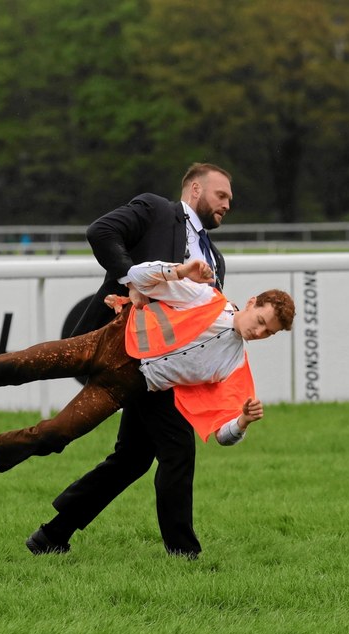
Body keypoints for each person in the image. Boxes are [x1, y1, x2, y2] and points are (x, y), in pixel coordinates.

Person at [0, 260, 295, 551]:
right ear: (252, 302)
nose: (259, 333)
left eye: (268, 334)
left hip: (128, 387)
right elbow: (136, 276)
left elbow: (221, 434)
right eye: (260, 322)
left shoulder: (233, 365)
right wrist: (178, 270)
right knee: (11, 366)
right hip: (104, 343)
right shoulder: (204, 296)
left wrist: (241, 422)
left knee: (57, 435)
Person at [54, 162, 232, 559]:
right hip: (128, 352)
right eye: (221, 196)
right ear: (195, 190)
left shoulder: (216, 259)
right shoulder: (156, 210)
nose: (227, 205)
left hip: (164, 369)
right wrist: (133, 279)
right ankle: (184, 553)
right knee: (177, 448)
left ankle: (53, 534)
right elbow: (100, 232)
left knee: (132, 458)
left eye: (230, 201)